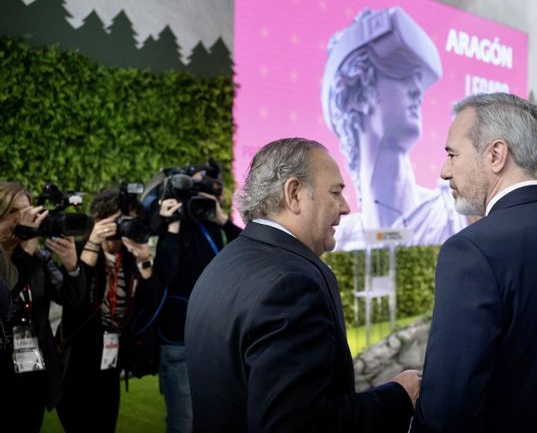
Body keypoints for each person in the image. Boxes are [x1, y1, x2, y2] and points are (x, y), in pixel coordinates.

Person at [411, 93, 537, 432]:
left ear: (495, 154)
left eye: (452, 154)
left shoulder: (470, 251)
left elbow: (448, 407)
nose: (444, 171)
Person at [185, 137, 420, 432]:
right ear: (294, 193)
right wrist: (398, 396)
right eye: (336, 192)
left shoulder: (224, 263)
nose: (346, 207)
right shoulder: (292, 286)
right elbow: (298, 424)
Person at [321, 6, 466, 249]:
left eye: (417, 79)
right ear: (357, 95)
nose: (417, 90)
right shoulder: (341, 239)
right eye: (400, 72)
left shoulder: (453, 215)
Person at [55, 188, 160, 433]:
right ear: (98, 220)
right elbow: (74, 301)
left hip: (112, 359)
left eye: (128, 220)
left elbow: (152, 303)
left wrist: (145, 259)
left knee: (105, 424)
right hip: (79, 358)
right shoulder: (81, 250)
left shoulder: (132, 255)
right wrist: (93, 243)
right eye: (117, 220)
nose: (123, 226)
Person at [153, 165, 241, 433]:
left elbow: (252, 249)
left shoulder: (215, 227)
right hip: (178, 339)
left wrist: (223, 220)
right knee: (184, 423)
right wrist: (172, 227)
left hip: (216, 339)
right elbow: (164, 275)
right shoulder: (175, 228)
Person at [0, 182, 86, 433]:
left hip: (33, 372)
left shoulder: (39, 258)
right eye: (14, 212)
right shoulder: (24, 256)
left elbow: (71, 300)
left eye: (27, 211)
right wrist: (25, 252)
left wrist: (72, 266)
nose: (23, 219)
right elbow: (6, 305)